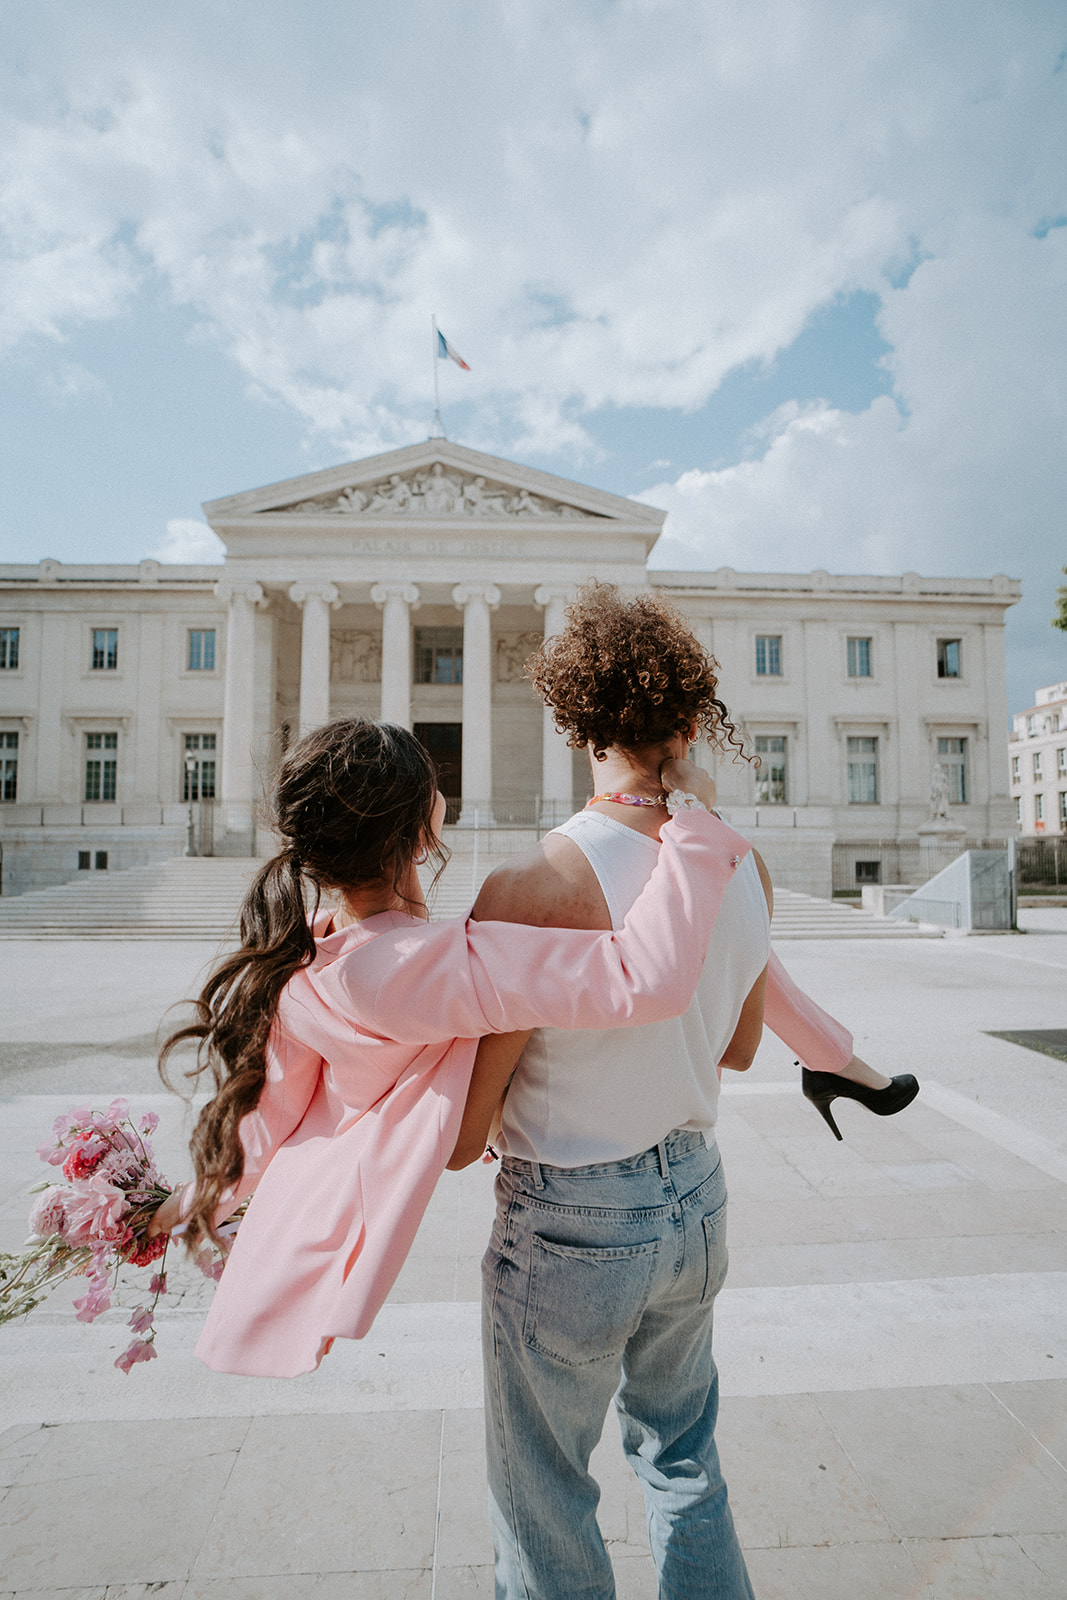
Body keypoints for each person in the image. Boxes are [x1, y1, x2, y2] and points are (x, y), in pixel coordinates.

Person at [458, 582, 919, 1599]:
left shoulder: (528, 886)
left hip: (570, 1215)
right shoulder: (738, 870)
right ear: (687, 717)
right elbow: (744, 1046)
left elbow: (467, 1126)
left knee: (543, 1489)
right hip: (693, 1197)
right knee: (683, 1464)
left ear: (577, 722)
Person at [151, 717, 749, 1379]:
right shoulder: (442, 968)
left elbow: (266, 1123)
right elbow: (650, 981)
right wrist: (692, 819)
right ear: (423, 833)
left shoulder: (303, 964)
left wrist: (178, 1205)